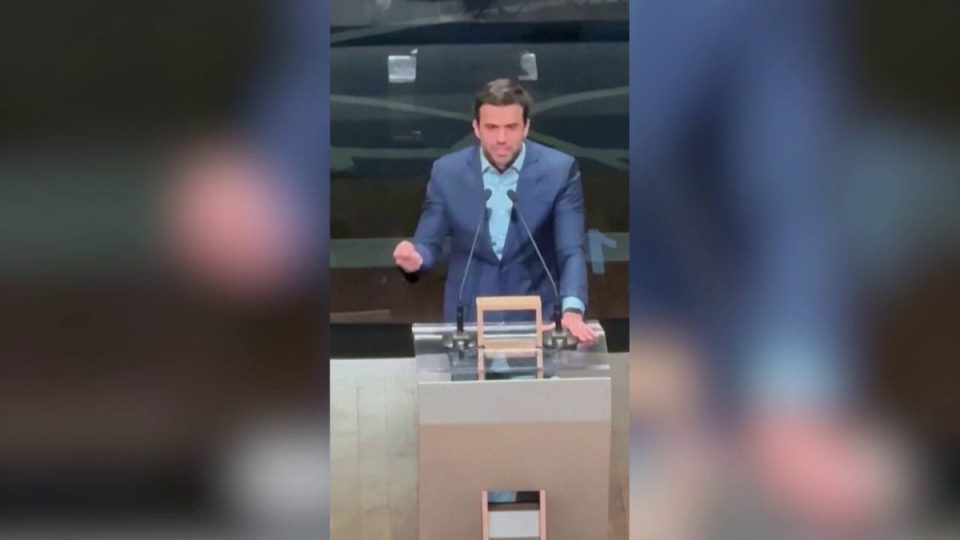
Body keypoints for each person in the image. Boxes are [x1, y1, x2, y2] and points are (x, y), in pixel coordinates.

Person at [393, 78, 597, 344]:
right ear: (476, 128)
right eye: (491, 127)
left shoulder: (559, 171)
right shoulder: (447, 173)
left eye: (511, 127)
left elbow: (570, 251)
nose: (501, 139)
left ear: (526, 127)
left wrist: (571, 310)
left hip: (538, 324)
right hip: (468, 326)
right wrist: (415, 258)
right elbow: (428, 243)